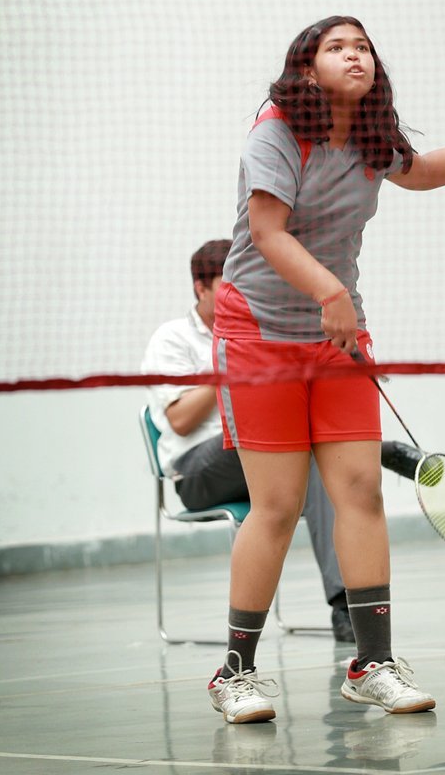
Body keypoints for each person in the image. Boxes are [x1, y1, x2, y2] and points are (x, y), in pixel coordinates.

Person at [209, 15, 445, 724]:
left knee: (359, 489)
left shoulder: (369, 137)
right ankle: (234, 673)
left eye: (362, 46)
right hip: (260, 331)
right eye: (336, 47)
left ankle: (371, 664)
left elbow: (417, 174)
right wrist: (329, 292)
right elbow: (266, 232)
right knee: (278, 506)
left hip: (336, 338)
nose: (354, 55)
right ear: (305, 68)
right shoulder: (276, 131)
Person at [142, 238, 422, 645]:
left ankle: (346, 610)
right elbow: (180, 420)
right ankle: (380, 452)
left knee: (320, 470)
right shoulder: (172, 339)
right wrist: (232, 362)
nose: (238, 293)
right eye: (227, 284)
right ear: (200, 289)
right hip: (197, 470)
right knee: (305, 446)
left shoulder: (263, 331)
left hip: (264, 458)